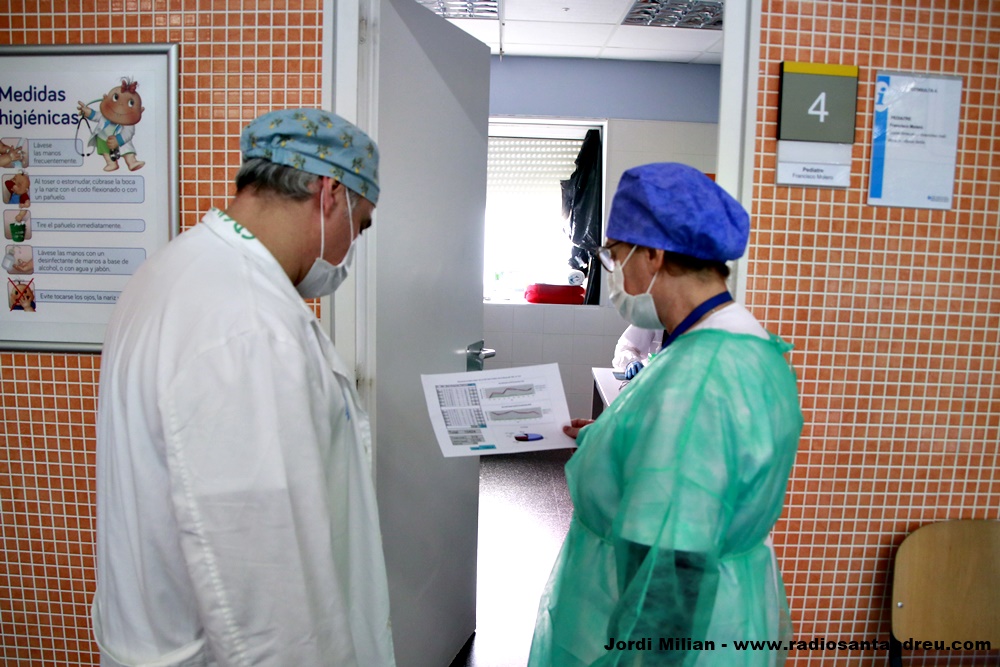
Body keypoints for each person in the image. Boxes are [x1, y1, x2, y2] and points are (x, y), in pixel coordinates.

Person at [94, 109, 395, 667]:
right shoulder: (249, 326)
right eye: (361, 225)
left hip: (152, 632)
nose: (351, 247)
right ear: (330, 193)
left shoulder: (173, 269)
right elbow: (265, 581)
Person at [528, 163, 803, 666]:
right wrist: (616, 435)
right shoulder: (751, 350)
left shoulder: (699, 379)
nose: (615, 273)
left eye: (615, 255)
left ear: (653, 254)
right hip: (725, 622)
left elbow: (672, 577)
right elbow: (695, 467)